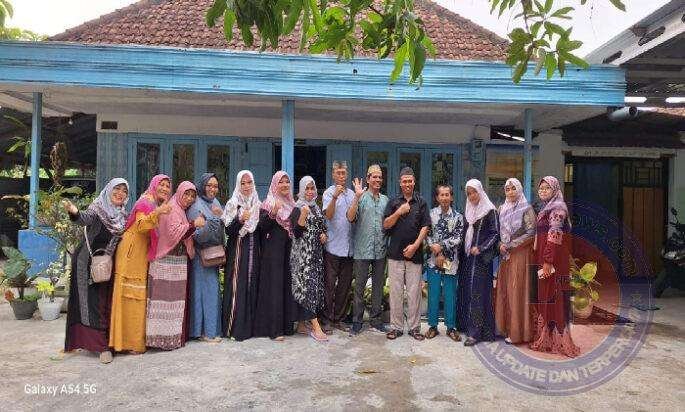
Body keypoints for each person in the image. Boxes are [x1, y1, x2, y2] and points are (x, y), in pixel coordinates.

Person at [63, 178, 129, 364]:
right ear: (108, 190)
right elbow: (84, 218)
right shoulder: (98, 208)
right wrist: (74, 212)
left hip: (106, 264)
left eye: (124, 191)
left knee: (104, 302)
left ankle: (105, 341)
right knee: (92, 303)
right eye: (117, 189)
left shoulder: (123, 215)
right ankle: (101, 347)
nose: (120, 193)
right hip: (87, 262)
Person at [110, 174, 171, 355]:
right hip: (131, 252)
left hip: (138, 252)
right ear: (154, 185)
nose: (165, 189)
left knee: (135, 296)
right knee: (130, 296)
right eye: (161, 184)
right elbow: (141, 225)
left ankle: (132, 342)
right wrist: (158, 212)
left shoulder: (153, 203)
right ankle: (126, 343)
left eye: (167, 186)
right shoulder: (146, 202)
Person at [146, 181, 205, 351]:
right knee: (163, 301)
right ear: (179, 193)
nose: (189, 198)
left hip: (176, 261)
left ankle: (173, 338)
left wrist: (191, 225)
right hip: (166, 259)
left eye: (192, 196)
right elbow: (174, 233)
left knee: (175, 301)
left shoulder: (179, 209)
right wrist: (193, 224)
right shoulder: (172, 208)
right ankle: (161, 340)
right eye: (186, 194)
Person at [529, 176, 580, 358]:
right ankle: (547, 338)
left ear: (555, 189)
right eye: (541, 188)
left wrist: (548, 260)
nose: (542, 191)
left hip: (554, 261)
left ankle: (558, 340)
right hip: (546, 258)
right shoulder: (547, 208)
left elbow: (554, 236)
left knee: (555, 296)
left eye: (547, 188)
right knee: (546, 296)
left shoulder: (558, 209)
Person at [383, 167, 431, 341]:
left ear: (414, 182)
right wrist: (399, 212)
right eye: (404, 181)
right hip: (395, 254)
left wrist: (415, 246)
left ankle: (414, 328)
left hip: (414, 255)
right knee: (395, 293)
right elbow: (386, 224)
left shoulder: (421, 202)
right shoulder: (393, 202)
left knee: (414, 293)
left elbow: (425, 226)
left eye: (410, 181)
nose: (407, 184)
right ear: (400, 183)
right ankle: (396, 327)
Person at [253, 171, 298, 340]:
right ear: (274, 185)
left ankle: (286, 327)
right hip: (272, 253)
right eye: (281, 182)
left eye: (287, 182)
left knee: (286, 286)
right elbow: (261, 227)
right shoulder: (268, 203)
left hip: (287, 251)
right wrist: (273, 212)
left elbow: (296, 230)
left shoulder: (292, 204)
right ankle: (274, 330)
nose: (285, 185)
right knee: (274, 287)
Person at [348, 165, 389, 335]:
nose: (377, 180)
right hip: (362, 249)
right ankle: (357, 320)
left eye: (380, 177)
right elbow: (350, 217)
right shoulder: (361, 197)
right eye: (374, 177)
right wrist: (356, 197)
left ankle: (376, 320)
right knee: (359, 287)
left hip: (380, 249)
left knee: (378, 287)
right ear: (368, 179)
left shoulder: (386, 200)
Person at [457, 179, 499, 347]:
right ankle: (467, 327)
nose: (472, 196)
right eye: (469, 193)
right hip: (468, 259)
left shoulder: (490, 211)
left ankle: (476, 333)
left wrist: (481, 248)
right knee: (467, 291)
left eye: (474, 192)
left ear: (480, 191)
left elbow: (495, 234)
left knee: (478, 294)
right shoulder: (468, 211)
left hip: (481, 260)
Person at [222, 170, 262, 341]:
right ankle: (235, 329)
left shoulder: (257, 204)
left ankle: (250, 328)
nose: (246, 186)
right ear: (238, 185)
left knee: (251, 285)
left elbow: (260, 229)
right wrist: (239, 219)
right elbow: (228, 230)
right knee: (238, 287)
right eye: (243, 183)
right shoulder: (233, 204)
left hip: (254, 251)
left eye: (249, 182)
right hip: (238, 251)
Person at [495, 178, 536, 344]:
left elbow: (531, 233)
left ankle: (517, 332)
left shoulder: (526, 208)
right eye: (507, 189)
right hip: (505, 256)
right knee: (504, 290)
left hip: (520, 255)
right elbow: (496, 232)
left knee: (516, 291)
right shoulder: (501, 209)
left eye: (513, 188)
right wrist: (500, 245)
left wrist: (511, 245)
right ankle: (503, 328)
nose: (510, 192)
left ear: (519, 189)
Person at [290, 176, 329, 342]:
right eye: (307, 188)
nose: (310, 191)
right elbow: (296, 232)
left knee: (313, 288)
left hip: (316, 255)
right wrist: (303, 215)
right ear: (301, 190)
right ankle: (315, 326)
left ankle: (301, 324)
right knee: (308, 289)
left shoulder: (317, 208)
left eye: (312, 188)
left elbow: (322, 227)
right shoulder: (297, 208)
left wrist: (323, 235)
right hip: (303, 256)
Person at [187, 173, 225, 343]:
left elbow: (220, 230)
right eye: (209, 185)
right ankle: (203, 331)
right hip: (200, 257)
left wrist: (219, 220)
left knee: (212, 293)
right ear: (202, 186)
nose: (212, 189)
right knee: (202, 293)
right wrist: (216, 219)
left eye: (215, 186)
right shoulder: (196, 205)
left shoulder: (214, 202)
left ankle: (211, 329)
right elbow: (199, 236)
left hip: (212, 256)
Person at [424, 184, 464, 342]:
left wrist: (441, 248)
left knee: (450, 294)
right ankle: (432, 326)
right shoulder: (430, 214)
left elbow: (458, 238)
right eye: (442, 195)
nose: (445, 197)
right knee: (433, 294)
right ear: (437, 197)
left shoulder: (458, 217)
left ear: (451, 197)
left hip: (450, 262)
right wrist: (437, 252)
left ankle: (451, 327)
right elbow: (427, 234)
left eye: (447, 194)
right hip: (434, 261)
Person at [322, 161, 355, 331]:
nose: (341, 176)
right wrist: (335, 197)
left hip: (348, 248)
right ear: (333, 175)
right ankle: (327, 320)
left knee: (344, 286)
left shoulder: (352, 194)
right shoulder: (328, 193)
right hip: (332, 247)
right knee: (329, 286)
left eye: (343, 173)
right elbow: (328, 215)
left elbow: (352, 217)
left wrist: (357, 197)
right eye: (338, 173)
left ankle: (339, 319)